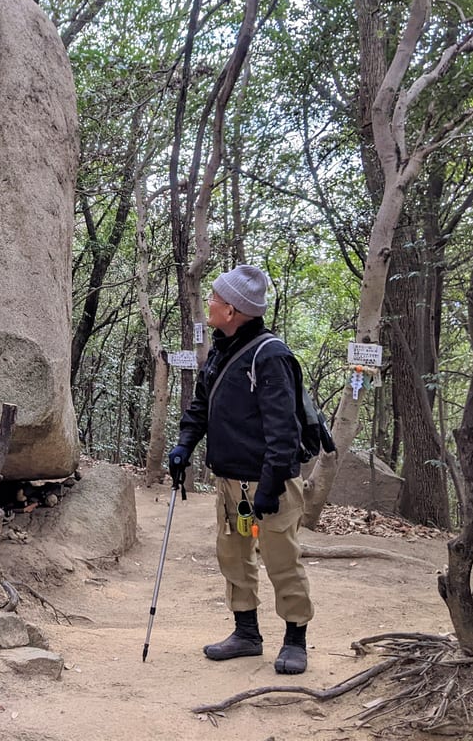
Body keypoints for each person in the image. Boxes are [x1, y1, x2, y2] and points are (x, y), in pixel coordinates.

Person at [166, 264, 313, 675]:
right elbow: (201, 406)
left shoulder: (272, 356)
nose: (209, 305)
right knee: (233, 556)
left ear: (232, 310)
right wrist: (183, 446)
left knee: (281, 559)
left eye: (214, 299)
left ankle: (295, 639)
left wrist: (270, 486)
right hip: (230, 481)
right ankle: (246, 633)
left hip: (271, 484)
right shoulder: (220, 349)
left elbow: (283, 431)